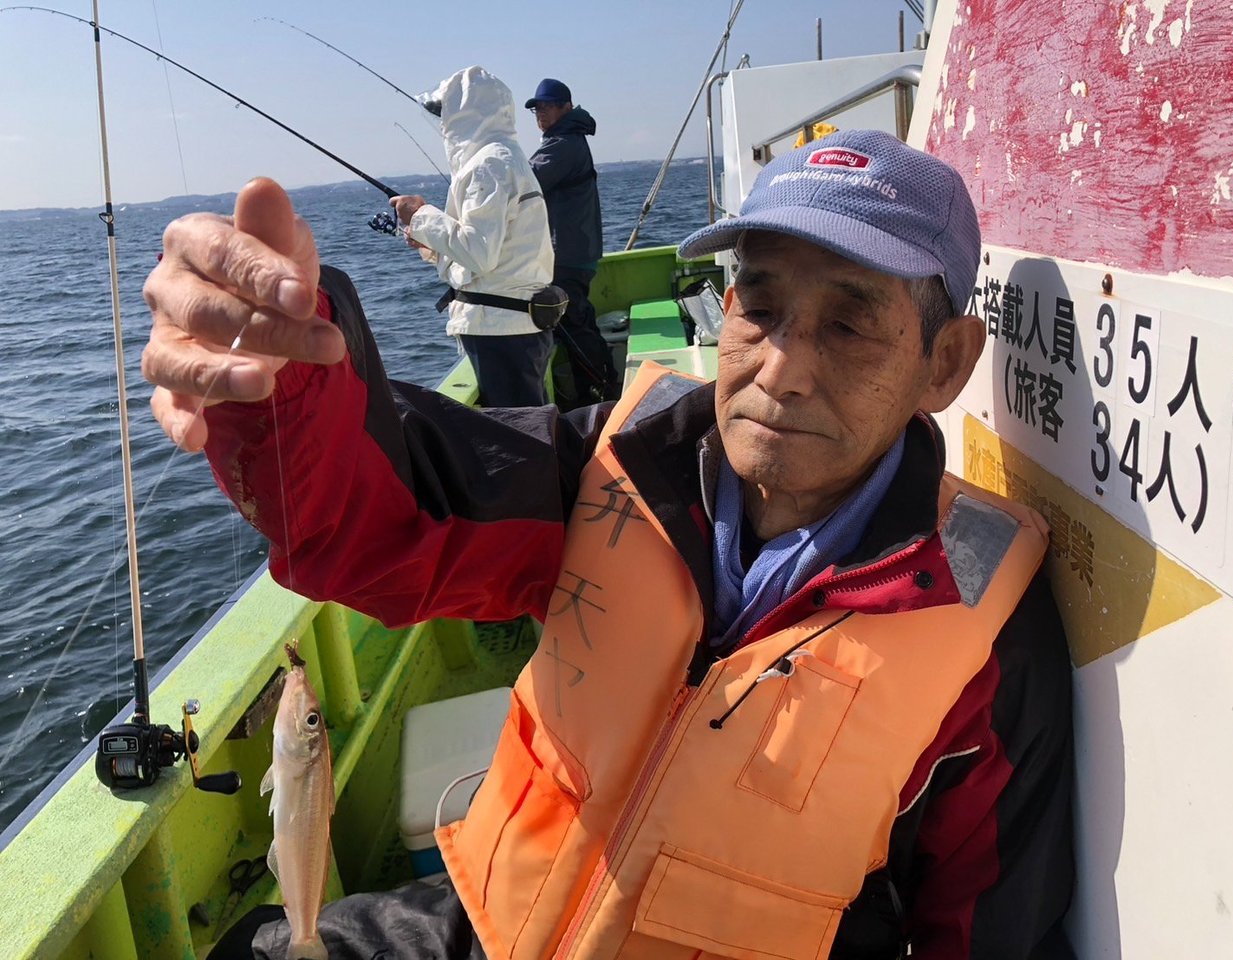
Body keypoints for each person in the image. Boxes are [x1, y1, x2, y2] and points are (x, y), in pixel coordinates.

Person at [144, 129, 1075, 958]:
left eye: (850, 324)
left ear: (944, 363)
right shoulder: (618, 459)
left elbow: (991, 932)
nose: (782, 369)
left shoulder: (986, 637)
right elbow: (385, 518)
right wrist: (284, 378)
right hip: (494, 924)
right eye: (759, 306)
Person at [390, 65, 558, 407]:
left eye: (445, 112)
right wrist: (430, 244)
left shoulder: (488, 165)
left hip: (501, 329)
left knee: (518, 430)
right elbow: (497, 248)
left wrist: (420, 215)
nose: (442, 122)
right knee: (532, 422)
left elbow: (479, 252)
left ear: (465, 113)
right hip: (513, 325)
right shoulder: (504, 157)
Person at [525, 77, 615, 405]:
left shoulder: (562, 144)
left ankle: (598, 396)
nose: (541, 113)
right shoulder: (567, 139)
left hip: (567, 252)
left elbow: (524, 182)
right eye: (537, 108)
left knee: (574, 326)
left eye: (548, 106)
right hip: (575, 250)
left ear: (567, 107)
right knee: (579, 321)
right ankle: (601, 388)